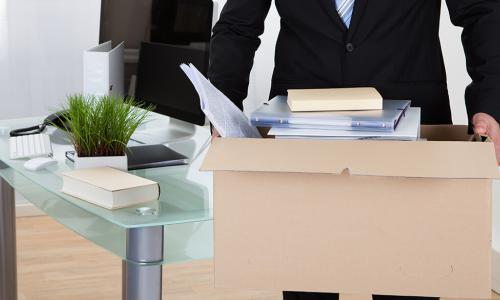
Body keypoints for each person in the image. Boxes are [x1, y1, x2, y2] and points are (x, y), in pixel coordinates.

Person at [207, 1, 500, 299]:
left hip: (411, 133)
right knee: (309, 279)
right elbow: (237, 25)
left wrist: (490, 105)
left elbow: (482, 12)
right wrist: (223, 106)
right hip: (303, 134)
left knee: (409, 278)